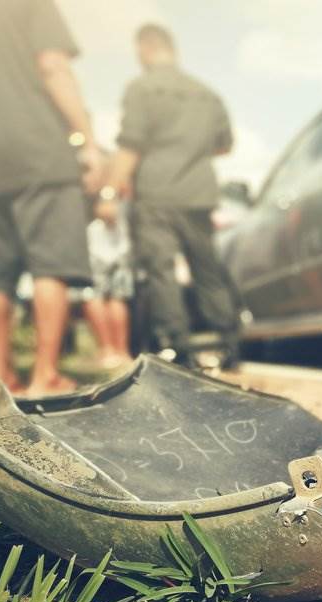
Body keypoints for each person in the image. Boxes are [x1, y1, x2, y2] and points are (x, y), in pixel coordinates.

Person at [0, 0, 104, 395]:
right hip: (37, 144)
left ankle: (2, 378)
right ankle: (45, 375)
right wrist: (87, 141)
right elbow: (53, 66)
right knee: (51, 261)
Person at [96, 23, 238, 366]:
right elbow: (224, 145)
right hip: (198, 194)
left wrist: (109, 193)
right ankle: (228, 344)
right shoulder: (206, 93)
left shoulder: (142, 88)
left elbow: (130, 145)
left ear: (144, 49)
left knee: (161, 271)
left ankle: (176, 347)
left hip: (156, 194)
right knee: (207, 268)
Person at [84, 186, 135, 370]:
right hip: (100, 267)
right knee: (95, 300)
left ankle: (119, 351)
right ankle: (108, 350)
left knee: (115, 301)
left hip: (116, 267)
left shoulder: (123, 227)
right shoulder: (94, 229)